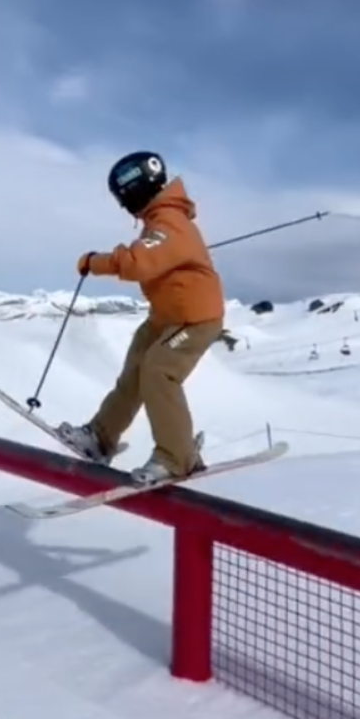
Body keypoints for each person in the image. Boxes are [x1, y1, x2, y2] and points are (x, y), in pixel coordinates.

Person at [58, 151, 225, 484]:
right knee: (135, 371)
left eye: (122, 195)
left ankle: (177, 458)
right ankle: (99, 437)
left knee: (159, 371)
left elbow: (137, 263)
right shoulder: (161, 220)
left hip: (195, 320)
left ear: (135, 189)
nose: (123, 204)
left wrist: (94, 261)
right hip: (165, 317)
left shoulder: (168, 221)